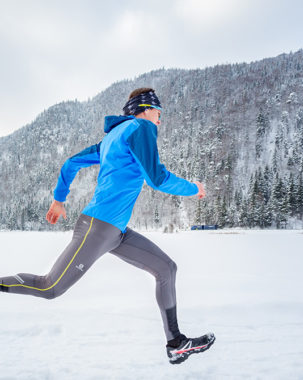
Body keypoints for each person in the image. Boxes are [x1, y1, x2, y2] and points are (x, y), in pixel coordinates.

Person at [0, 88, 215, 364]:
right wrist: (193, 188)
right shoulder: (140, 127)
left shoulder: (112, 139)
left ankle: (176, 343)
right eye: (159, 113)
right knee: (49, 287)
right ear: (146, 108)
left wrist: (59, 199)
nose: (160, 120)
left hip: (117, 233)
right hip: (97, 228)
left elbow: (70, 163)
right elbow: (157, 178)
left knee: (166, 268)